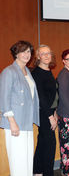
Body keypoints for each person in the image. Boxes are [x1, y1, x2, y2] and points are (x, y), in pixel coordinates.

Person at [0, 40, 40, 176]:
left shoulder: (27, 71)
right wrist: (12, 122)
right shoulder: (9, 71)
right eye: (23, 51)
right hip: (15, 122)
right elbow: (3, 99)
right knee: (18, 161)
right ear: (16, 53)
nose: (26, 54)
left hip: (26, 121)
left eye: (28, 51)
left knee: (27, 159)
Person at [32, 45, 58, 176]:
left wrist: (54, 112)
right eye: (43, 54)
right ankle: (47, 173)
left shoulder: (48, 70)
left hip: (49, 112)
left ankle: (37, 171)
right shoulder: (36, 73)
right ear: (38, 57)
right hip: (43, 114)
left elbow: (51, 96)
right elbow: (41, 97)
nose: (47, 56)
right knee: (49, 146)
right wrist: (50, 116)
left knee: (43, 143)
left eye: (48, 53)